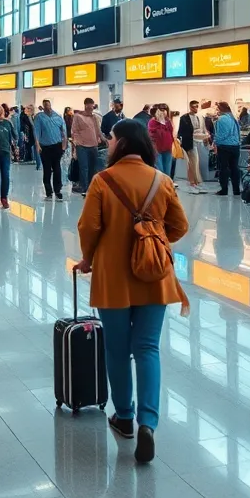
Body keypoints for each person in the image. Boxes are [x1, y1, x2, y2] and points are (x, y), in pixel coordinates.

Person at [75, 119, 188, 464]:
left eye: (110, 139)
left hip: (113, 278)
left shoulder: (102, 180)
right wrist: (154, 238)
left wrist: (88, 259)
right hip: (155, 275)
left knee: (117, 349)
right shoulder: (162, 179)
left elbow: (88, 226)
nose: (107, 144)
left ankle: (124, 416)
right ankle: (148, 424)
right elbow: (180, 225)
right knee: (148, 348)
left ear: (123, 143)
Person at [34, 99, 69, 200]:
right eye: (45, 106)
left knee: (57, 168)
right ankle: (48, 191)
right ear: (43, 106)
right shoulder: (39, 117)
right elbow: (36, 131)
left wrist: (64, 144)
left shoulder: (57, 116)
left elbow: (64, 130)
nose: (47, 107)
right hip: (45, 147)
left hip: (56, 146)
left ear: (50, 105)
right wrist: (37, 144)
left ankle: (58, 190)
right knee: (47, 169)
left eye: (48, 105)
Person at [72, 97, 103, 195]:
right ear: (85, 106)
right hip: (82, 146)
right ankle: (84, 188)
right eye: (89, 107)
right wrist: (76, 144)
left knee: (93, 168)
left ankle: (91, 187)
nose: (91, 109)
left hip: (93, 145)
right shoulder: (77, 116)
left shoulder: (94, 117)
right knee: (84, 168)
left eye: (92, 108)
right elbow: (74, 131)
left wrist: (105, 139)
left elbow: (98, 131)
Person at [212, 101, 242, 196]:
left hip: (224, 147)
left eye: (217, 109)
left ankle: (224, 190)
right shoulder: (233, 118)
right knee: (234, 168)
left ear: (220, 109)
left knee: (223, 169)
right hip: (235, 146)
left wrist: (214, 142)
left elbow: (222, 135)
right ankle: (236, 190)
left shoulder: (221, 119)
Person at [177, 100, 207, 194]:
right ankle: (194, 181)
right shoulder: (184, 118)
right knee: (193, 161)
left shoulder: (200, 117)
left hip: (199, 140)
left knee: (194, 161)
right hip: (189, 142)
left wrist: (205, 137)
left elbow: (203, 129)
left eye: (197, 106)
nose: (196, 108)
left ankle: (194, 181)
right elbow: (181, 131)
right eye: (194, 106)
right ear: (190, 107)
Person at [147, 105, 175, 177]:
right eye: (161, 110)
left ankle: (167, 185)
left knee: (167, 170)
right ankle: (161, 186)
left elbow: (171, 132)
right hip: (157, 149)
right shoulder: (152, 122)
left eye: (165, 110)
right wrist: (161, 124)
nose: (163, 112)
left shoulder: (168, 121)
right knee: (160, 170)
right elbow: (153, 134)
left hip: (168, 148)